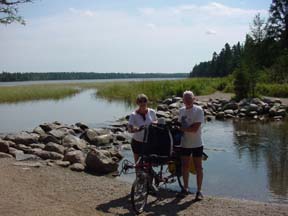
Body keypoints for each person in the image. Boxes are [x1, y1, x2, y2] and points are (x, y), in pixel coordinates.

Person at [178, 90, 204, 200]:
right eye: (185, 99)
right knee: (185, 167)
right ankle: (186, 188)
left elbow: (195, 129)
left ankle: (199, 191)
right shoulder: (181, 110)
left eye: (189, 98)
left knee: (198, 167)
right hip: (185, 144)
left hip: (197, 143)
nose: (187, 101)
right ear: (183, 100)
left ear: (193, 99)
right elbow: (180, 125)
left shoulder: (198, 110)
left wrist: (182, 128)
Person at [127, 94, 157, 163]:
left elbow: (156, 122)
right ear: (137, 103)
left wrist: (155, 123)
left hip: (149, 142)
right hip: (137, 142)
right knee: (137, 164)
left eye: (145, 101)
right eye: (140, 101)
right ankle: (138, 174)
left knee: (148, 164)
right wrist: (137, 129)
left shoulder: (152, 112)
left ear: (147, 102)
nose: (143, 103)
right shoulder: (133, 115)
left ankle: (148, 173)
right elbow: (129, 129)